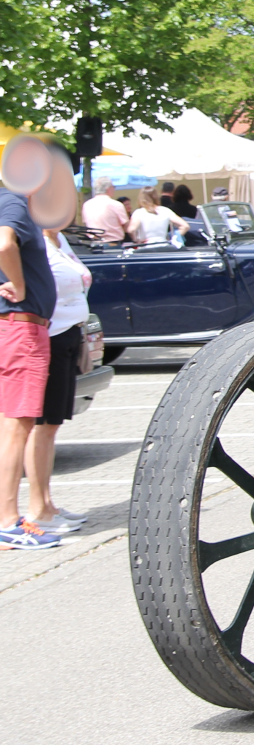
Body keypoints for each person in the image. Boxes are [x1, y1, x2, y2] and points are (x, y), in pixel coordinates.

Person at [0, 186, 60, 549]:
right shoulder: (13, 202)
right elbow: (4, 243)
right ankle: (7, 520)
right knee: (16, 427)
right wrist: (19, 286)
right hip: (22, 327)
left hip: (15, 327)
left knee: (10, 426)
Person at [25, 229, 91, 535]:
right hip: (46, 337)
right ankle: (37, 509)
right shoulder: (32, 235)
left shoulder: (58, 238)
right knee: (41, 426)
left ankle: (47, 503)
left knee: (51, 426)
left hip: (67, 334)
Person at [80, 176, 130, 245]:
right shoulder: (115, 204)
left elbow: (86, 223)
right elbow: (127, 226)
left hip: (94, 243)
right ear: (108, 189)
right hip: (113, 243)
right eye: (113, 187)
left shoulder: (87, 205)